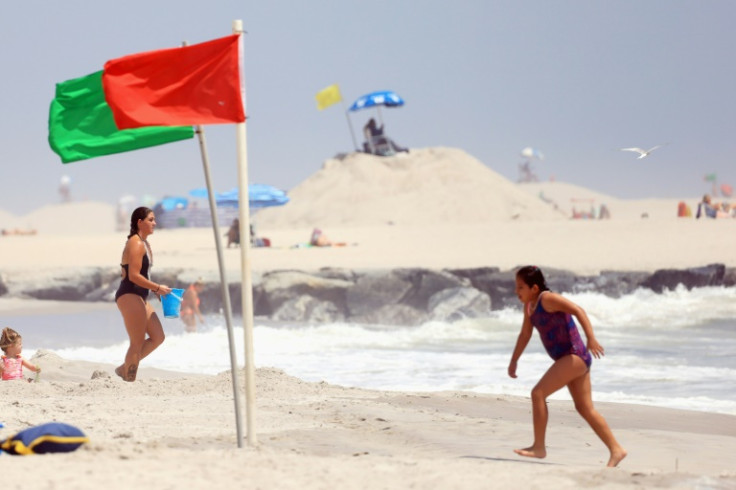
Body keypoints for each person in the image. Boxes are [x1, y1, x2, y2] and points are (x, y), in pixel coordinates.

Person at [508, 266, 627, 467]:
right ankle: (617, 450)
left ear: (534, 288)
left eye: (520, 287)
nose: (516, 291)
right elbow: (525, 335)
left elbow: (578, 310)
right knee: (585, 408)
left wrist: (591, 338)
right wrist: (514, 360)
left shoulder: (547, 299)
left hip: (575, 356)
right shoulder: (529, 307)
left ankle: (539, 447)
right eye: (516, 287)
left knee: (538, 393)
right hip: (569, 359)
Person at [114, 207, 172, 382]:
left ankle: (124, 369)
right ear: (140, 222)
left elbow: (142, 275)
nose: (155, 223)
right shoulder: (136, 243)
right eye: (151, 219)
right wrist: (156, 288)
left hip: (140, 296)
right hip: (129, 295)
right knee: (137, 342)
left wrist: (154, 290)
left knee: (158, 337)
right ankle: (129, 380)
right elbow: (133, 276)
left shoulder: (143, 242)